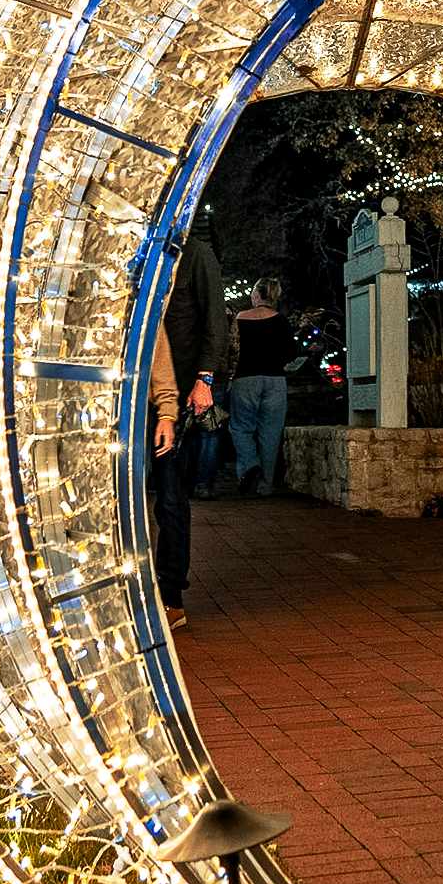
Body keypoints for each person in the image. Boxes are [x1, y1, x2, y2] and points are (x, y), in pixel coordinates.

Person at [150, 223, 228, 626]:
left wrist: (205, 379)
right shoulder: (142, 253)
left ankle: (171, 596)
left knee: (171, 495)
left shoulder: (195, 255)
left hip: (178, 395)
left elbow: (217, 320)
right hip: (136, 397)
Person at [230, 276, 295, 497]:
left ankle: (249, 463)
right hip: (275, 379)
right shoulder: (281, 321)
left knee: (240, 427)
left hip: (246, 378)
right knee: (270, 433)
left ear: (258, 294)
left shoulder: (240, 318)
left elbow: (232, 348)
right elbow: (291, 352)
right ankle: (266, 485)